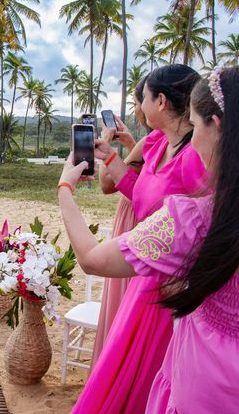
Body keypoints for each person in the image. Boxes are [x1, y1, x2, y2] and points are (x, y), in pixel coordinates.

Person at [58, 66, 239, 413]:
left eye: (197, 122)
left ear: (214, 126)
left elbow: (92, 258)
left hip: (195, 351)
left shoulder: (195, 214)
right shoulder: (156, 145)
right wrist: (111, 156)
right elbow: (139, 193)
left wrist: (65, 188)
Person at [91, 77, 148, 363]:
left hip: (135, 219)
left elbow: (106, 185)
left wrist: (107, 142)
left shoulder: (153, 139)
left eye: (139, 101)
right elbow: (147, 165)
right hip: (146, 217)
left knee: (124, 294)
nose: (138, 108)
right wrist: (128, 142)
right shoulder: (163, 142)